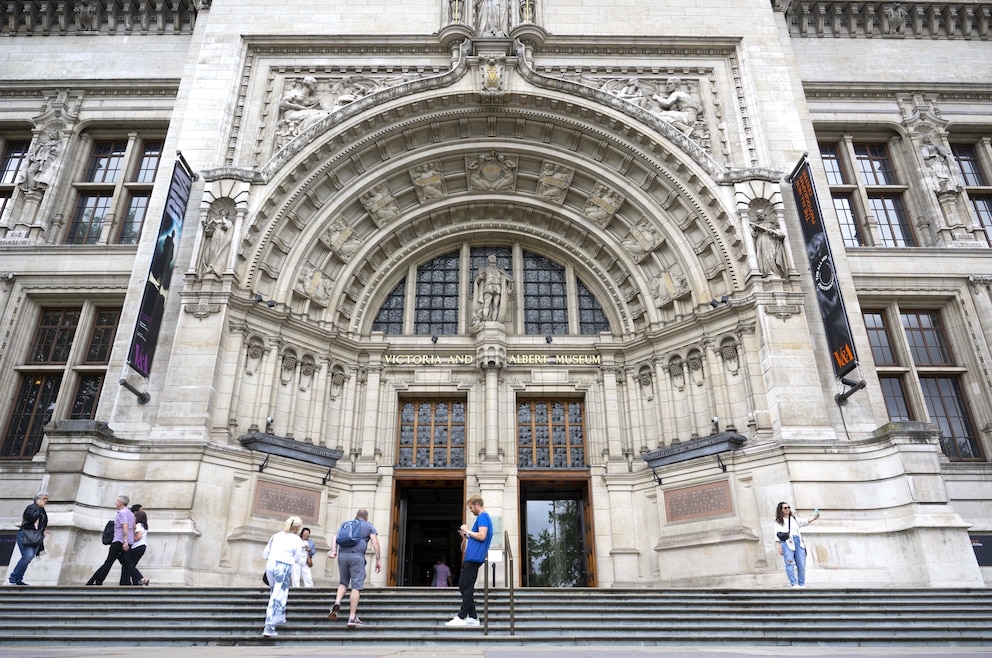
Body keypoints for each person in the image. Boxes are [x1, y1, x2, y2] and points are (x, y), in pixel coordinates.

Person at [327, 509, 381, 628]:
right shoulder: (368, 525)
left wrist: (333, 552)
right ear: (366, 517)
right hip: (357, 556)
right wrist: (378, 559)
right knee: (356, 586)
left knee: (343, 582)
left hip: (342, 556)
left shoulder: (346, 524)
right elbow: (375, 542)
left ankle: (337, 602)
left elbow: (334, 538)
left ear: (356, 516)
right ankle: (352, 617)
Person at [445, 495, 493, 627]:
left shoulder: (483, 517)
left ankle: (462, 616)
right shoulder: (484, 518)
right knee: (464, 586)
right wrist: (467, 535)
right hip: (473, 557)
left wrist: (468, 531)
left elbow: (482, 536)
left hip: (473, 558)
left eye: (471, 508)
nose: (471, 510)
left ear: (477, 505)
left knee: (466, 586)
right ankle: (473, 617)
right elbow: (478, 536)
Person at [261, 516, 309, 637]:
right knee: (278, 595)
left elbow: (265, 553)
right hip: (284, 566)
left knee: (274, 592)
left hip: (270, 564)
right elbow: (298, 558)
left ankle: (280, 616)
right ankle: (269, 626)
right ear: (297, 527)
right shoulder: (297, 540)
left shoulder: (276, 535)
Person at [86, 495, 148, 587]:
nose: (115, 503)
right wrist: (128, 540)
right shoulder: (131, 514)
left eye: (117, 501)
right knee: (127, 563)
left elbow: (125, 526)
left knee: (109, 562)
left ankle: (95, 581)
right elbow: (134, 527)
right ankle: (141, 578)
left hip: (119, 541)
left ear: (120, 503)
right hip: (127, 542)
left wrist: (125, 541)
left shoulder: (122, 513)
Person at [774, 502, 820, 588]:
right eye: (785, 508)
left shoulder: (794, 518)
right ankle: (794, 583)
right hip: (787, 542)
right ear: (781, 510)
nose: (787, 509)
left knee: (801, 564)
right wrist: (779, 547)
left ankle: (801, 584)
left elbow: (805, 521)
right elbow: (777, 534)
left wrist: (814, 518)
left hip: (798, 541)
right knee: (789, 563)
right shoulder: (778, 521)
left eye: (788, 507)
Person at [8, 492, 49, 586]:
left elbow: (42, 523)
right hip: (25, 534)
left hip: (35, 536)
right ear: (37, 500)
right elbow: (31, 519)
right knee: (28, 556)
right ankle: (13, 578)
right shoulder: (31, 507)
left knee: (28, 558)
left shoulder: (42, 510)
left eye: (47, 499)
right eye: (44, 499)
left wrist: (43, 532)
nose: (46, 501)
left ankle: (18, 579)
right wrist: (39, 508)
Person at [472, 254, 512, 324]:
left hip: (497, 287)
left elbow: (508, 278)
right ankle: (485, 320)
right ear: (488, 259)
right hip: (488, 287)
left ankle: (494, 322)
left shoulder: (499, 270)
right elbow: (479, 279)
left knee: (495, 305)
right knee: (487, 304)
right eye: (491, 257)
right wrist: (478, 278)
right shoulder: (486, 269)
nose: (493, 258)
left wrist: (508, 278)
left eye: (494, 257)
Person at [120, 505, 148, 586]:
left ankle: (139, 579)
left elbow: (138, 536)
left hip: (137, 547)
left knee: (128, 564)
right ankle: (132, 581)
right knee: (130, 565)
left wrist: (129, 541)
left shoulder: (139, 525)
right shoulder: (144, 526)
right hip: (142, 547)